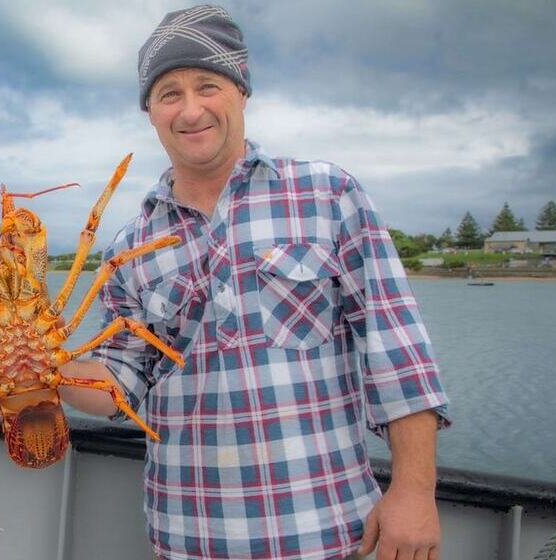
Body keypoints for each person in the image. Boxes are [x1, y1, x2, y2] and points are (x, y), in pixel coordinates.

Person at [59, 5, 451, 559]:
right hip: (187, 539)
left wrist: (414, 491)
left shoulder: (326, 194)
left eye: (208, 85)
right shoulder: (128, 247)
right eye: (169, 93)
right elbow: (120, 383)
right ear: (149, 111)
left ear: (242, 92)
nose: (191, 109)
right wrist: (48, 369)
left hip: (331, 532)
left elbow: (398, 350)